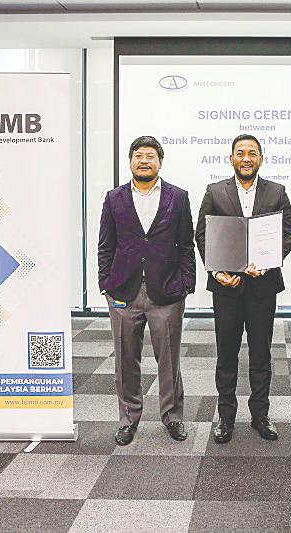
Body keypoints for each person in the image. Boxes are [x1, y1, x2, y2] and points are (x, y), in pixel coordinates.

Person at [195, 134, 291, 443]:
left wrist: (269, 260)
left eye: (253, 153)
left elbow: (288, 234)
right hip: (227, 286)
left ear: (261, 158)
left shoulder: (277, 192)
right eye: (241, 153)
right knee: (226, 354)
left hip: (262, 287)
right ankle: (225, 417)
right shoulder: (215, 191)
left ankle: (260, 415)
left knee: (261, 354)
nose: (247, 158)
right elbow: (202, 235)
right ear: (231, 159)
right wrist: (217, 269)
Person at [98, 135, 196, 446]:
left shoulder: (177, 197)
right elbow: (106, 246)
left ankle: (172, 416)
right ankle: (128, 419)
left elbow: (186, 246)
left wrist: (186, 284)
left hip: (166, 292)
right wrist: (106, 285)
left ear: (159, 162)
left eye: (150, 156)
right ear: (130, 162)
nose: (144, 160)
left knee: (168, 360)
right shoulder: (114, 199)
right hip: (124, 293)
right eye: (138, 155)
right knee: (125, 360)